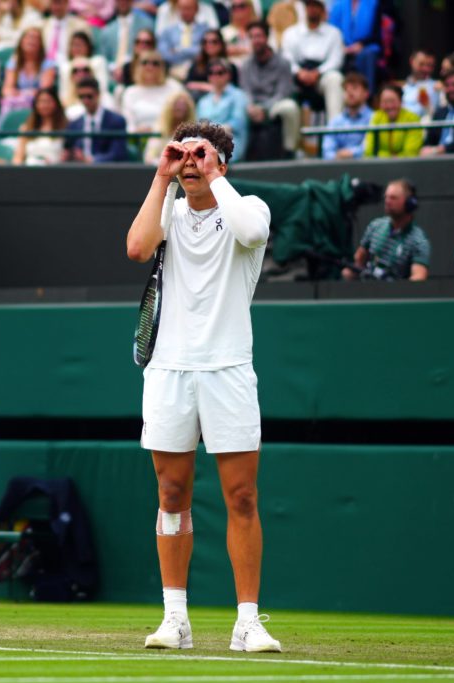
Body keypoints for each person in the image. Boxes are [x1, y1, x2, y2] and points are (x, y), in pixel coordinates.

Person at [125, 119, 281, 654]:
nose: (189, 161)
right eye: (183, 153)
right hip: (167, 371)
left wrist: (213, 170)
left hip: (229, 370)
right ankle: (176, 620)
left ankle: (247, 623)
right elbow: (137, 248)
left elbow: (252, 233)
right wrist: (160, 177)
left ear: (222, 164)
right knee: (172, 495)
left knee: (241, 496)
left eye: (200, 154)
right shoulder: (166, 209)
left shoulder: (249, 207)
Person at [341, 179, 430, 282]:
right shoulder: (375, 226)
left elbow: (418, 278)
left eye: (393, 198)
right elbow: (358, 261)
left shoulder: (418, 241)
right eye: (386, 197)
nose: (387, 201)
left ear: (409, 203)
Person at [241, 21, 299, 157]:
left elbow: (283, 93)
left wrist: (264, 109)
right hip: (253, 107)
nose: (256, 40)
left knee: (290, 107)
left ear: (266, 38)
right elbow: (245, 91)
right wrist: (252, 107)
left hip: (273, 106)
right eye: (252, 37)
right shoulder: (246, 65)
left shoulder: (283, 62)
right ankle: (238, 153)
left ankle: (290, 151)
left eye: (259, 36)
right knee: (237, 107)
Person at [281, 0, 344, 122]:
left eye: (316, 5)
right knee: (282, 78)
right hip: (296, 78)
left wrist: (318, 72)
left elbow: (336, 59)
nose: (312, 8)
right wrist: (298, 72)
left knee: (335, 79)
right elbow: (286, 57)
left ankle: (335, 129)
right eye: (309, 5)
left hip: (321, 77)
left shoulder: (334, 33)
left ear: (322, 9)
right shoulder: (291, 33)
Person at [119, 50, 188, 133]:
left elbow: (187, 114)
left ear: (162, 67)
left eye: (155, 63)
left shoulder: (174, 87)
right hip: (140, 139)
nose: (150, 67)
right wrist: (137, 131)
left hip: (169, 136)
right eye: (145, 62)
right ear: (137, 66)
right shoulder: (130, 92)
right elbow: (128, 124)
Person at [64, 76, 128, 162]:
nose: (85, 100)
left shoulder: (116, 121)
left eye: (89, 96)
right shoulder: (74, 124)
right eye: (81, 97)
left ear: (98, 94)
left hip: (107, 172)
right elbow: (68, 151)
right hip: (79, 171)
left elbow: (118, 154)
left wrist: (92, 160)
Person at [195, 59, 248, 161]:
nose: (215, 76)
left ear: (228, 75)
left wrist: (211, 132)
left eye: (220, 72)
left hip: (229, 142)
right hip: (205, 143)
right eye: (211, 73)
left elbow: (237, 123)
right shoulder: (203, 101)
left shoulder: (238, 95)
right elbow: (198, 126)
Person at [0, 27, 56, 114]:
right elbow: (7, 89)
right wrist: (23, 95)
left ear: (41, 44)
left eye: (35, 38)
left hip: (39, 102)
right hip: (17, 102)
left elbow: (44, 90)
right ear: (21, 41)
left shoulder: (48, 64)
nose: (31, 41)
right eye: (29, 37)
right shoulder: (13, 63)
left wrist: (22, 94)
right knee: (7, 102)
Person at [320, 73, 372, 161]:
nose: (350, 92)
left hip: (368, 169)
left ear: (366, 94)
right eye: (346, 89)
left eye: (355, 88)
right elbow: (327, 151)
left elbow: (370, 147)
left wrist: (351, 153)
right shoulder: (335, 121)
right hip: (337, 169)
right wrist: (337, 156)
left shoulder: (374, 118)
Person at [363, 85, 423, 158]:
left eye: (392, 101)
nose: (389, 106)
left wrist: (383, 156)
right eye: (385, 102)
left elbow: (410, 153)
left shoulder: (413, 119)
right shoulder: (376, 117)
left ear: (401, 101)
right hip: (379, 166)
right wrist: (392, 157)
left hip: (405, 167)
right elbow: (369, 151)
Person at [12, 85, 66, 164]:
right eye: (40, 101)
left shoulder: (65, 127)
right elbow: (18, 156)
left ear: (56, 103)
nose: (44, 105)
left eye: (48, 101)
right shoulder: (26, 128)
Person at [98, 0, 153, 78]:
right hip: (111, 76)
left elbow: (152, 51)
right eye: (119, 1)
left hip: (138, 72)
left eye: (126, 0)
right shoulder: (107, 30)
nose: (123, 2)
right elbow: (103, 57)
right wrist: (113, 68)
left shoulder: (146, 24)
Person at [184, 29, 239, 100]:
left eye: (214, 42)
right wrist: (210, 87)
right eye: (205, 42)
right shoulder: (197, 65)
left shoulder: (230, 67)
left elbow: (232, 89)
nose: (209, 44)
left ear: (221, 44)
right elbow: (189, 84)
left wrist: (202, 86)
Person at [143, 89, 195, 162]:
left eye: (183, 105)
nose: (180, 107)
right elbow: (149, 157)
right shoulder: (159, 129)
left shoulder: (194, 133)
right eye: (176, 104)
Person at [41, 0, 91, 66]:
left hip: (71, 67)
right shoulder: (43, 26)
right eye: (54, 4)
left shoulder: (81, 26)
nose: (57, 7)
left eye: (60, 3)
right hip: (46, 68)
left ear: (67, 3)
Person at [400, 49, 439, 118]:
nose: (425, 69)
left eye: (429, 65)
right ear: (411, 61)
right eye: (421, 64)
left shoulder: (437, 87)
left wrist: (427, 106)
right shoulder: (403, 88)